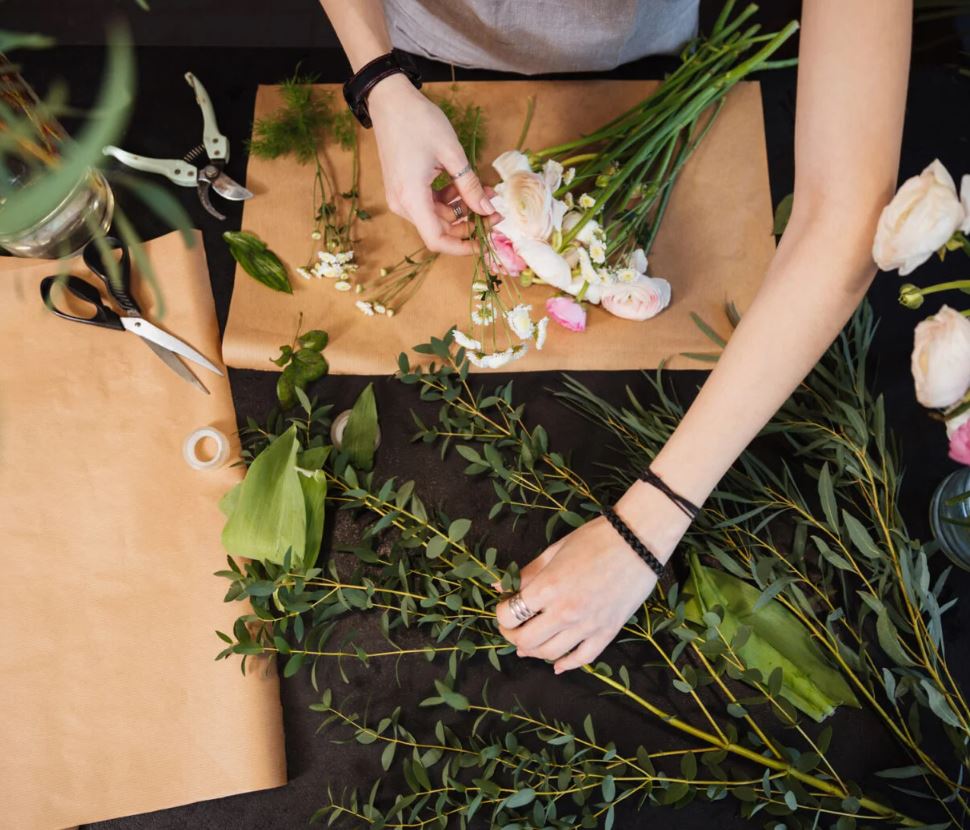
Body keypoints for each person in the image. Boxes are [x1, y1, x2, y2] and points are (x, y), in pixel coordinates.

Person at [320, 0, 913, 673]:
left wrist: (646, 527)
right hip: (410, 50)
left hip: (647, 59)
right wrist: (379, 79)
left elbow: (848, 211)